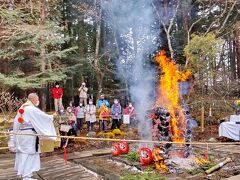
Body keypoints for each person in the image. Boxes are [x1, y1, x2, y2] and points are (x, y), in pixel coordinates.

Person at [11, 93, 57, 180]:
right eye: (37, 99)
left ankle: (26, 174)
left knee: (24, 154)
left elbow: (16, 124)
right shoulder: (31, 109)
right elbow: (42, 117)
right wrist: (52, 116)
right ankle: (26, 176)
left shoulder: (22, 108)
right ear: (33, 99)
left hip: (22, 135)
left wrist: (15, 136)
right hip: (29, 136)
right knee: (29, 155)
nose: (38, 101)